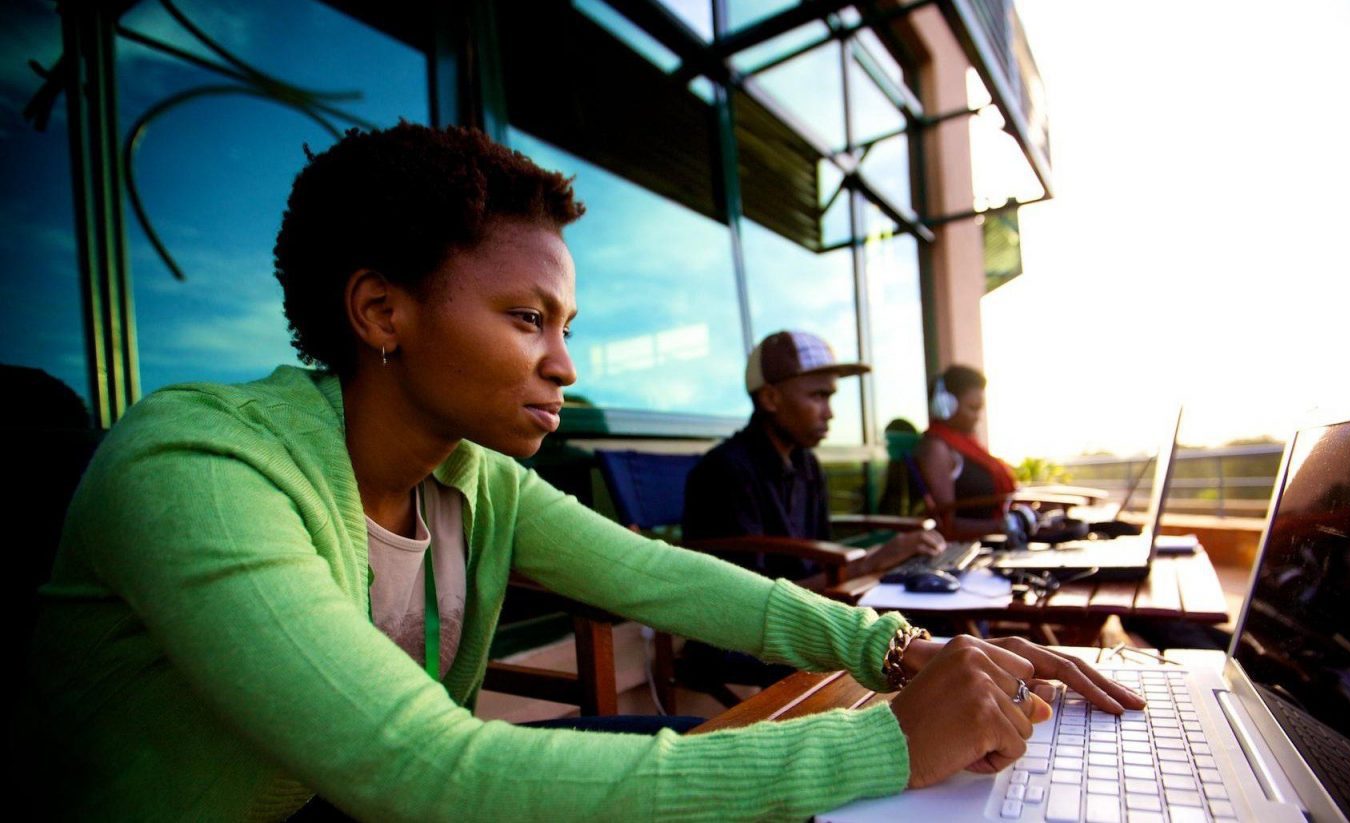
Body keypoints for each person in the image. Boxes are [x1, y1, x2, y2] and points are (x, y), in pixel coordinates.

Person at [23, 123, 1142, 821]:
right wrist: (884, 739)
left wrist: (892, 651)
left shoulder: (472, 476)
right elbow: (423, 772)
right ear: (380, 311)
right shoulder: (199, 466)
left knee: (744, 777)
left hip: (362, 798)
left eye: (566, 324)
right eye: (527, 319)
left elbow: (666, 577)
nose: (564, 364)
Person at [682, 330, 945, 581]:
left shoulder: (806, 464)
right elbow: (748, 600)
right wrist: (872, 562)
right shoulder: (723, 473)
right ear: (770, 398)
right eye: (818, 396)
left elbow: (819, 563)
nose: (830, 413)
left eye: (830, 397)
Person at [913, 364, 1027, 541]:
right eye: (973, 408)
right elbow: (947, 523)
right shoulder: (937, 448)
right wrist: (1006, 525)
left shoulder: (967, 445)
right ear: (945, 406)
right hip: (976, 547)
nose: (978, 416)